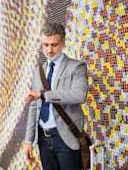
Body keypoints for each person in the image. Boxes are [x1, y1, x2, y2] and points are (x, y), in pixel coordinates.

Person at [24, 22, 89, 170]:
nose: (49, 50)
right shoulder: (37, 71)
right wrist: (29, 140)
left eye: (54, 45)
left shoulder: (77, 66)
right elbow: (34, 106)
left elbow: (79, 95)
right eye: (45, 45)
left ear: (64, 42)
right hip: (43, 139)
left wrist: (43, 94)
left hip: (66, 138)